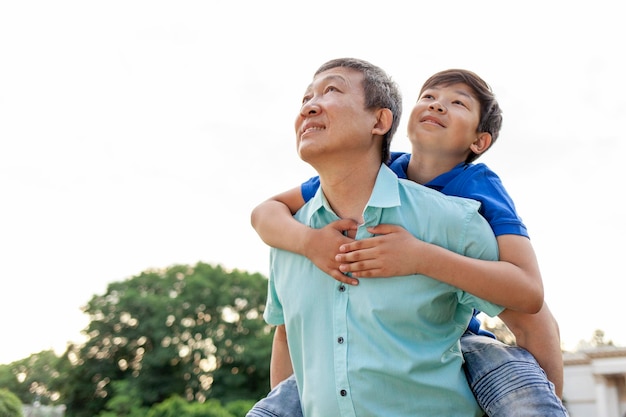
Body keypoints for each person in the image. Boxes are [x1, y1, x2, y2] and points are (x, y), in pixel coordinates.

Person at [248, 67, 568, 416]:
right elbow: (266, 212)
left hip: (464, 337)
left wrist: (420, 257)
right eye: (428, 97)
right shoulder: (376, 172)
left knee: (521, 390)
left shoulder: (474, 194)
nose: (437, 106)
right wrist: (308, 242)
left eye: (457, 103)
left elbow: (529, 298)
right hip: (339, 369)